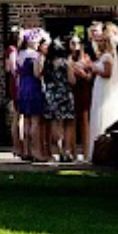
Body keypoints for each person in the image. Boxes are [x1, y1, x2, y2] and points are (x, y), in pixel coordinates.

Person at [86, 21, 118, 164]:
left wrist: (93, 67)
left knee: (102, 114)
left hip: (104, 88)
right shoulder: (104, 56)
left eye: (102, 40)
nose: (99, 42)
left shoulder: (108, 56)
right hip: (100, 87)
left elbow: (107, 73)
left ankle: (104, 151)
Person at [14, 30, 50, 162]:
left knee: (26, 121)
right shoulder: (35, 56)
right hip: (34, 87)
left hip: (22, 88)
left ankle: (26, 150)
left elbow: (16, 73)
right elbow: (37, 73)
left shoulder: (19, 54)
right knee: (35, 120)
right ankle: (36, 151)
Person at [41, 33, 76, 165]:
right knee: (67, 123)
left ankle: (59, 150)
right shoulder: (66, 63)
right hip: (65, 93)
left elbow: (42, 76)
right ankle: (67, 151)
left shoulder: (48, 63)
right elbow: (72, 80)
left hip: (51, 94)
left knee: (56, 123)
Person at [67, 33, 96, 163]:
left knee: (84, 122)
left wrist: (82, 73)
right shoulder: (68, 59)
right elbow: (69, 79)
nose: (75, 46)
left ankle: (86, 152)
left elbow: (90, 77)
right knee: (71, 122)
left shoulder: (86, 58)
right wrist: (71, 70)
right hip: (72, 92)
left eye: (77, 43)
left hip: (84, 91)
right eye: (72, 43)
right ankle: (72, 152)